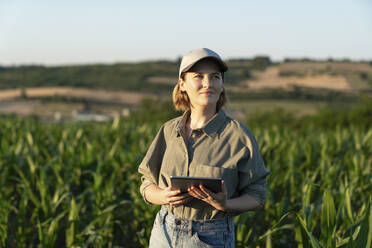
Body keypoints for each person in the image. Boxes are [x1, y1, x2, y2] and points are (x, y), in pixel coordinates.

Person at [138, 48, 270, 248]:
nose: (208, 83)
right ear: (182, 84)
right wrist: (162, 196)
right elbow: (146, 184)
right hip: (163, 231)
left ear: (222, 84)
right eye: (199, 76)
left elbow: (257, 196)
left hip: (212, 236)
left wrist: (226, 205)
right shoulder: (168, 131)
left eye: (215, 77)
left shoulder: (239, 137)